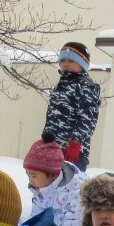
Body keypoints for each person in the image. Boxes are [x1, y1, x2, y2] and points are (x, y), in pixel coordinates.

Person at [23, 134, 88, 226]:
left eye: (33, 175)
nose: (30, 181)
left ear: (52, 174)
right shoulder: (41, 188)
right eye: (28, 175)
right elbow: (34, 222)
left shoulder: (77, 192)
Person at [43, 41, 101, 172]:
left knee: (69, 188)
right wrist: (46, 136)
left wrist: (75, 142)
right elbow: (52, 116)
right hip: (53, 148)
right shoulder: (60, 86)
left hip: (74, 152)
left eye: (71, 60)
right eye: (63, 60)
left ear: (82, 64)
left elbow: (88, 119)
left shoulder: (86, 86)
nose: (66, 63)